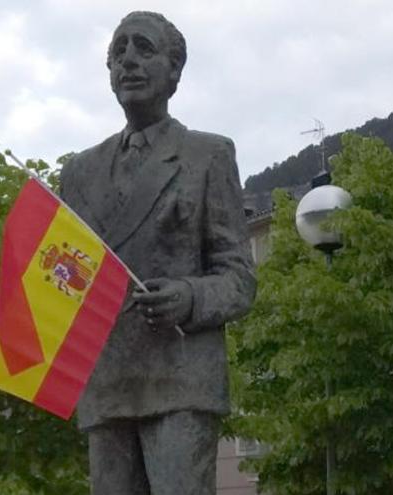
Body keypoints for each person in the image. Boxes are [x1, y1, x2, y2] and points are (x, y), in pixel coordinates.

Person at [59, 10, 256, 495]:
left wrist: (188, 297)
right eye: (118, 51)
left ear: (174, 71)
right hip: (106, 383)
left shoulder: (206, 155)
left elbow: (239, 279)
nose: (128, 60)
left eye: (144, 48)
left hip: (180, 379)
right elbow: (64, 276)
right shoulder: (79, 172)